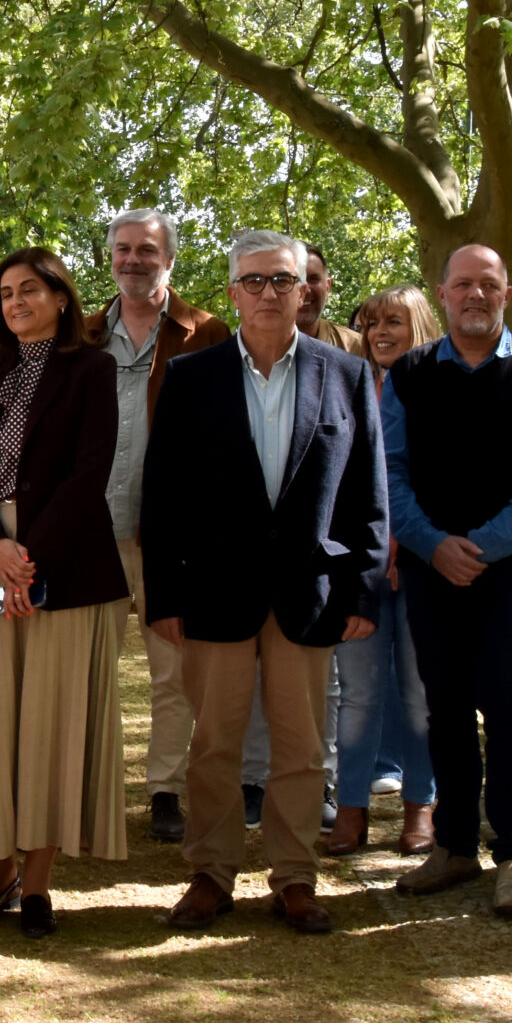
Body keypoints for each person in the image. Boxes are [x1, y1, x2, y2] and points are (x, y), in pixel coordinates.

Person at [144, 232, 388, 935]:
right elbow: (162, 498)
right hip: (215, 594)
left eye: (284, 279)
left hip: (309, 595)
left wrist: (362, 591)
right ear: (232, 293)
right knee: (214, 743)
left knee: (302, 745)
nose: (270, 293)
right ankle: (210, 874)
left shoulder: (345, 374)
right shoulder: (193, 376)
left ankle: (295, 876)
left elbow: (368, 495)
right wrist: (165, 596)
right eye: (254, 281)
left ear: (305, 289)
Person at [0, 246, 127, 939]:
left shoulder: (93, 370)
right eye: (5, 293)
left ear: (62, 297)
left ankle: (37, 881)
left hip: (63, 562)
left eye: (29, 289)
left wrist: (29, 558)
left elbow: (90, 469)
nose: (14, 302)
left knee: (50, 723)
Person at [381, 244, 512, 919]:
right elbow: (391, 470)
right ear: (442, 292)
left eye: (487, 284)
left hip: (510, 572)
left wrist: (483, 547)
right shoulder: (406, 375)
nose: (474, 295)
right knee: (447, 712)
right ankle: (456, 846)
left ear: (508, 292)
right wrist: (434, 546)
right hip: (433, 573)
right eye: (462, 283)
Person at [86, 209, 232, 846]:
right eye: (123, 250)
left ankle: (165, 791)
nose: (133, 260)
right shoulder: (83, 335)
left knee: (172, 674)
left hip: (171, 536)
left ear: (169, 259)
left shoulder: (207, 334)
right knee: (89, 671)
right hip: (89, 533)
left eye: (147, 250)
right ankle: (87, 792)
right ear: (109, 258)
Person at [326, 285, 441, 857]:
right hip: (361, 574)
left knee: (421, 697)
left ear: (419, 324)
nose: (380, 334)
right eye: (372, 324)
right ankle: (351, 811)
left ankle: (421, 809)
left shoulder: (444, 392)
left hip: (424, 568)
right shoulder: (346, 386)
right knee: (360, 695)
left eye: (394, 321)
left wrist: (408, 545)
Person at [299, 246, 366, 356]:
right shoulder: (261, 346)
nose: (306, 289)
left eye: (313, 279)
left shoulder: (355, 347)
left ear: (327, 286)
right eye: (297, 279)